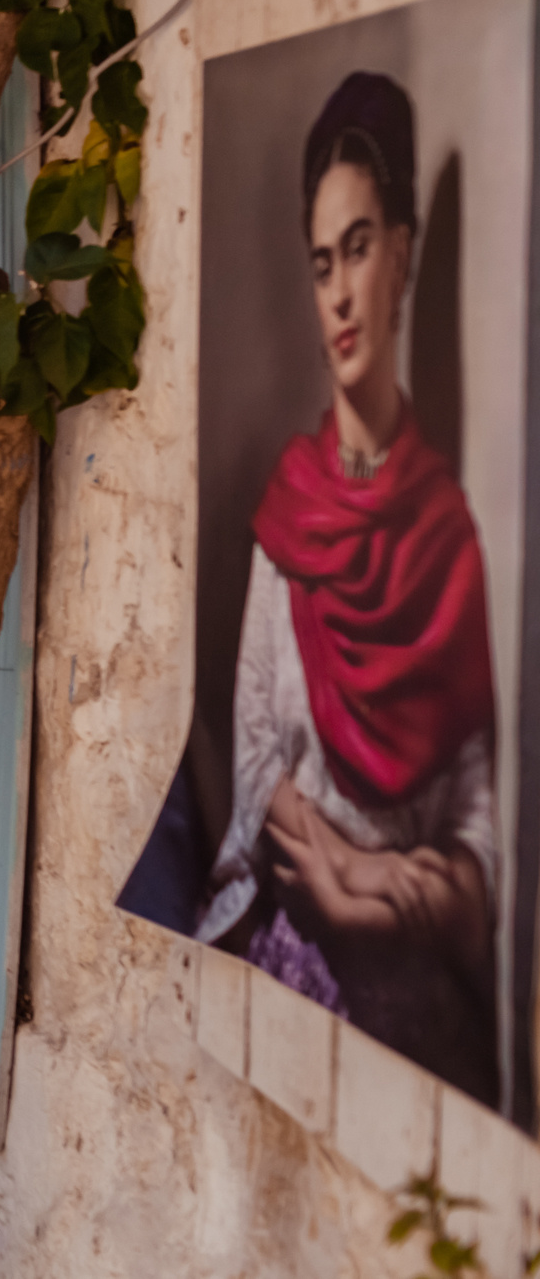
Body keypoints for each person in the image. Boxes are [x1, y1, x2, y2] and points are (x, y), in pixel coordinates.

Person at [198, 71, 499, 1098]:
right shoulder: (288, 519)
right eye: (321, 260)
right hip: (292, 981)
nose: (336, 291)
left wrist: (369, 883)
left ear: (403, 255)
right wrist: (330, 887)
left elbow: (477, 831)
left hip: (417, 1027)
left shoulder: (450, 537)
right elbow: (253, 765)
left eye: (359, 248)